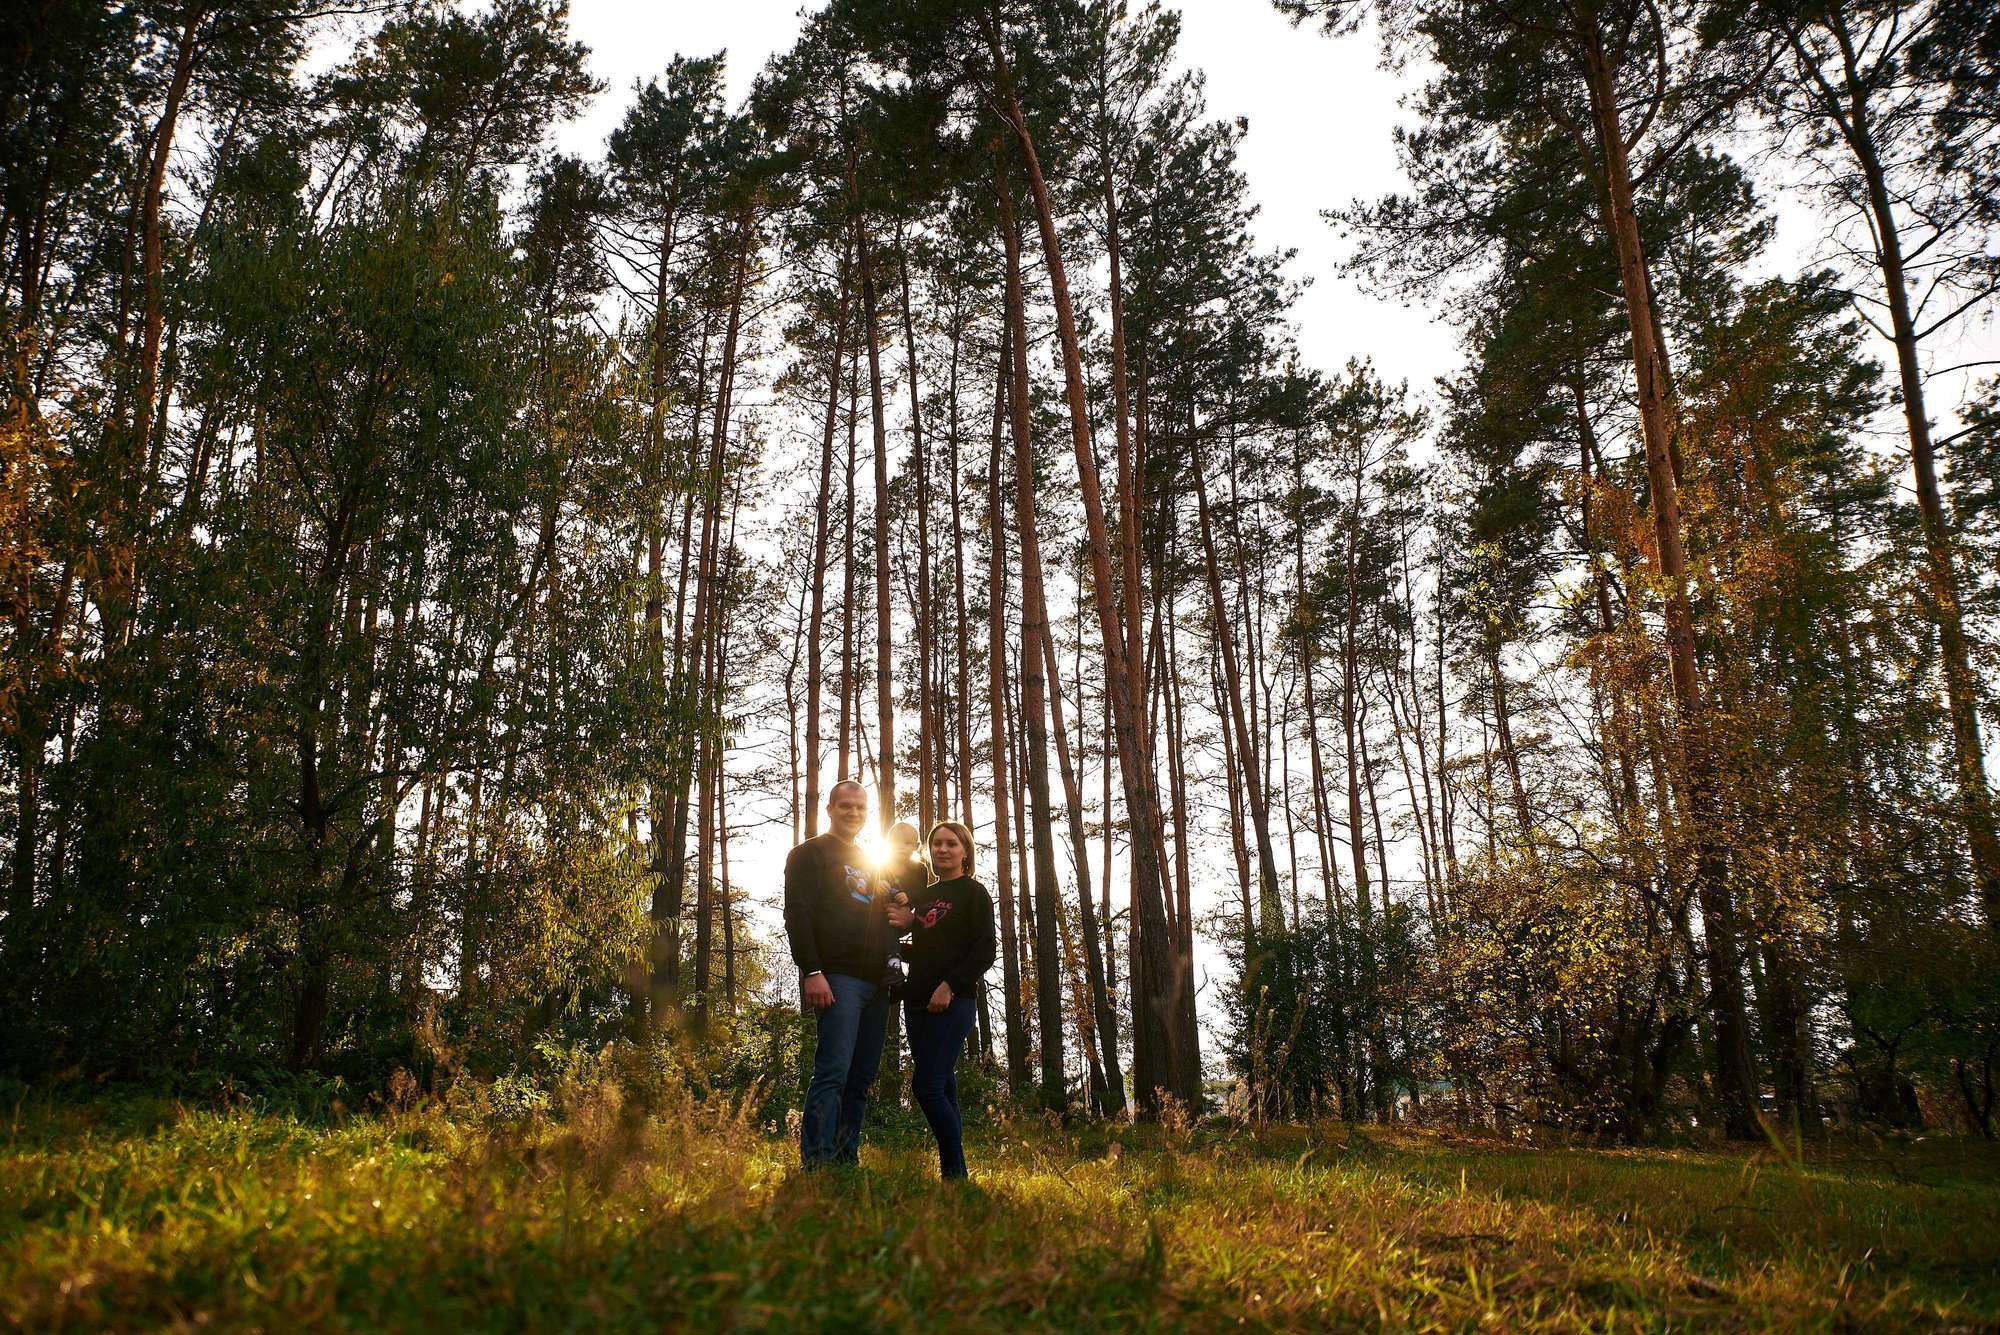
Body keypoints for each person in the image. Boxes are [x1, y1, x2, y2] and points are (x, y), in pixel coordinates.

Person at [783, 780, 890, 1169]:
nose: (853, 813)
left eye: (860, 808)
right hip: (836, 978)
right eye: (845, 806)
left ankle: (846, 1161)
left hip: (877, 984)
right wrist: (812, 970)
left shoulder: (873, 860)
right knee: (833, 1072)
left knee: (861, 1078)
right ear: (829, 809)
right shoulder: (808, 854)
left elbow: (885, 918)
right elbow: (797, 914)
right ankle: (817, 1162)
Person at [886, 820, 996, 1180]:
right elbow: (928, 951)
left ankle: (954, 1172)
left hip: (952, 1001)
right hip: (917, 1000)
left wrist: (949, 985)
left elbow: (984, 952)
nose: (942, 850)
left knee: (926, 1085)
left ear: (965, 852)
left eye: (951, 844)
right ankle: (956, 1173)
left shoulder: (975, 894)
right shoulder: (926, 898)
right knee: (943, 1083)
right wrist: (887, 950)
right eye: (936, 845)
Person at [879, 821, 926, 991]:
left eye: (907, 843)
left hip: (903, 915)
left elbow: (923, 893)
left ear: (916, 846)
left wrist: (909, 897)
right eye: (896, 842)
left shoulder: (920, 869)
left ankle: (895, 968)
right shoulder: (882, 864)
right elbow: (871, 882)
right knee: (882, 934)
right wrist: (879, 885)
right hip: (880, 911)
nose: (901, 847)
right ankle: (896, 983)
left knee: (889, 929)